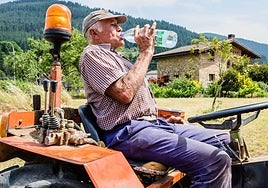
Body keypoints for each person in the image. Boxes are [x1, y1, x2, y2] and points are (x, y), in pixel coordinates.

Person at [79, 9, 232, 188]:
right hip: (128, 133)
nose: (120, 29)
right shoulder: (93, 54)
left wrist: (158, 118)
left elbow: (135, 99)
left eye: (118, 24)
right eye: (113, 24)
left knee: (225, 140)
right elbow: (124, 93)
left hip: (152, 125)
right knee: (214, 161)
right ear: (93, 32)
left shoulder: (117, 58)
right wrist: (146, 52)